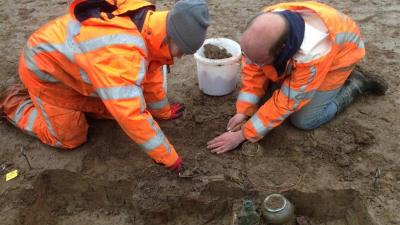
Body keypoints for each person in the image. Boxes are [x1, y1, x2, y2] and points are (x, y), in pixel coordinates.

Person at [0, 0, 210, 172]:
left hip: (75, 69)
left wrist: (162, 111)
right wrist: (169, 158)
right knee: (71, 137)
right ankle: (13, 102)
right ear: (168, 36)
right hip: (47, 74)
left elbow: (152, 71)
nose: (180, 57)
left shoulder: (149, 25)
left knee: (114, 108)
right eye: (181, 51)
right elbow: (131, 114)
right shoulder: (122, 53)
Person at [207, 1, 387, 154]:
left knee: (303, 120)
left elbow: (287, 102)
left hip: (340, 56)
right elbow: (253, 69)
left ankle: (357, 83)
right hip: (297, 56)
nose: (252, 63)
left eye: (260, 60)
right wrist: (243, 111)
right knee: (265, 94)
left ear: (283, 48)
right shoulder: (263, 27)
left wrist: (242, 135)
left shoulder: (313, 53)